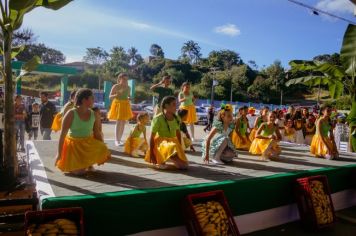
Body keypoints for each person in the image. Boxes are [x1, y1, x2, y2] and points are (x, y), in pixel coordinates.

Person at [55, 88, 111, 175]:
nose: (94, 100)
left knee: (103, 148)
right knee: (79, 173)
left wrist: (102, 146)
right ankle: (83, 165)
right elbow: (62, 135)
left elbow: (97, 133)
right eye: (92, 98)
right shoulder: (71, 113)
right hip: (73, 145)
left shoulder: (94, 114)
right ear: (84, 100)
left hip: (87, 143)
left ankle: (87, 164)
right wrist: (59, 154)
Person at [145, 96, 188, 170]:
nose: (176, 106)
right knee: (172, 147)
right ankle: (162, 157)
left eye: (176, 104)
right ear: (166, 106)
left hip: (173, 143)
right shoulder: (157, 119)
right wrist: (152, 153)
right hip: (161, 143)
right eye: (174, 104)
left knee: (184, 166)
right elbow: (151, 137)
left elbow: (178, 133)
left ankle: (169, 156)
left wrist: (180, 148)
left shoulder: (177, 118)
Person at [108, 73, 133, 146]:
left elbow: (128, 96)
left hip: (125, 105)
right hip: (118, 104)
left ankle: (119, 139)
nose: (125, 80)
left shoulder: (128, 87)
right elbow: (110, 97)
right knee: (119, 122)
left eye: (126, 79)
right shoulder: (116, 86)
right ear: (120, 79)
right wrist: (116, 95)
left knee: (123, 122)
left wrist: (129, 98)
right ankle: (116, 140)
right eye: (124, 79)